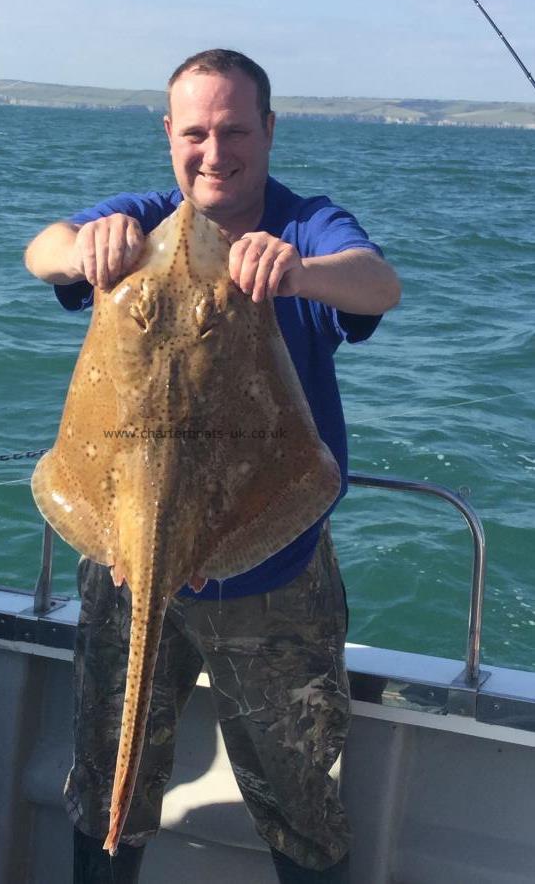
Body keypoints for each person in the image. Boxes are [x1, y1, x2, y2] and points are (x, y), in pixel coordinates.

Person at [25, 49, 400, 884]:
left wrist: (296, 273)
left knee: (300, 804)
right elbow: (40, 250)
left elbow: (377, 284)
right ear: (169, 135)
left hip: (274, 573)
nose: (213, 150)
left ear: (268, 130)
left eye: (234, 129)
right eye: (195, 131)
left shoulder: (304, 226)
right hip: (123, 561)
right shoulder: (146, 220)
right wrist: (87, 245)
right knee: (106, 790)